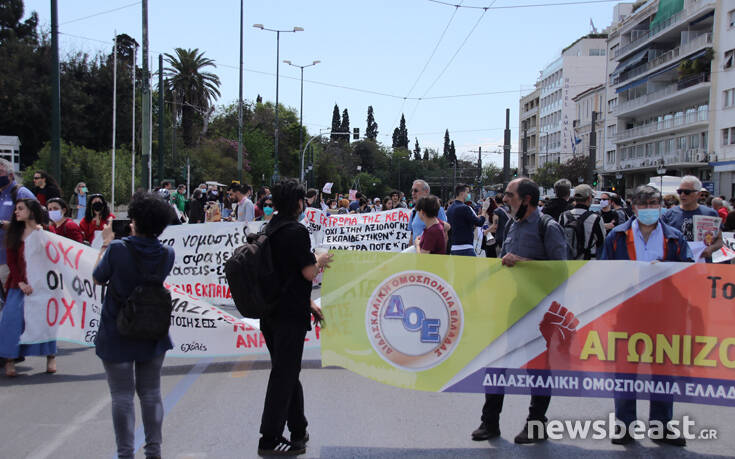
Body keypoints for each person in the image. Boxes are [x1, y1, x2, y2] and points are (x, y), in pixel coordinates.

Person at [472, 177, 568, 445]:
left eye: (509, 195)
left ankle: (536, 425)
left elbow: (561, 270)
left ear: (526, 199)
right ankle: (489, 422)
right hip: (510, 305)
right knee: (496, 363)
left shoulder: (548, 227)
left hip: (539, 309)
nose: (505, 199)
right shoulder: (512, 224)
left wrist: (522, 262)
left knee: (537, 368)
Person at [601, 185, 692, 446]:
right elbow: (604, 273)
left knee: (663, 371)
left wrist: (667, 271)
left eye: (655, 204)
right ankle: (624, 425)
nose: (650, 209)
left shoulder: (674, 237)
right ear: (634, 207)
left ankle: (661, 425)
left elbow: (687, 273)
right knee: (626, 370)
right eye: (645, 205)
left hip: (664, 314)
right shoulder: (617, 237)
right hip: (628, 312)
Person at [92, 192, 176, 459]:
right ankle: (154, 450)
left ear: (135, 221)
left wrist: (105, 243)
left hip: (118, 329)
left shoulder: (118, 249)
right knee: (151, 392)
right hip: (152, 329)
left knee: (122, 396)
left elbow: (97, 277)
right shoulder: (167, 253)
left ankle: (125, 453)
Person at [257, 179, 332, 456]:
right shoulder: (297, 232)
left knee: (288, 372)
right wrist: (320, 259)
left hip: (271, 311)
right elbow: (308, 272)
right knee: (283, 375)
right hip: (289, 316)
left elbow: (284, 274)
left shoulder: (270, 229)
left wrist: (308, 301)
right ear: (298, 202)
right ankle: (269, 437)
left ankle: (298, 430)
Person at [0, 199, 57, 376]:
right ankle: (9, 359)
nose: (16, 212)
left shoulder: (45, 232)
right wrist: (21, 282)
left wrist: (42, 238)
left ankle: (50, 356)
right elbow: (11, 261)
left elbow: (54, 256)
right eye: (16, 209)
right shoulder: (14, 234)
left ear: (31, 211)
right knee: (11, 319)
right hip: (18, 285)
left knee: (45, 321)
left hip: (42, 285)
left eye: (20, 209)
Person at [661, 176, 721, 259]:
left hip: (702, 264)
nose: (682, 195)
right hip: (677, 265)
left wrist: (711, 249)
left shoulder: (710, 213)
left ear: (698, 194)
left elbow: (719, 240)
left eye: (687, 192)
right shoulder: (669, 214)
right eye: (680, 191)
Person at [0, 159, 35, 286]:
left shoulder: (21, 193)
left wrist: (4, 225)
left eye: (0, 172)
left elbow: (33, 224)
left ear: (10, 175)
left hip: (14, 260)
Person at [559, 185, 606, 259]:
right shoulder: (596, 218)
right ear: (589, 198)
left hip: (569, 262)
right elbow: (601, 242)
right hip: (588, 263)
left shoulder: (563, 216)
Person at [447, 184, 485, 256]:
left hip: (454, 247)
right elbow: (479, 223)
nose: (469, 195)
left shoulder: (450, 208)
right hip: (465, 248)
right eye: (467, 192)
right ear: (462, 193)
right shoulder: (464, 208)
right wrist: (484, 211)